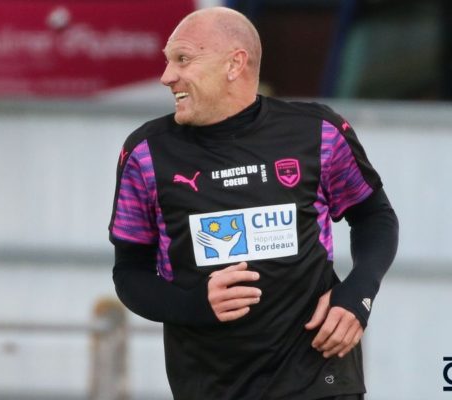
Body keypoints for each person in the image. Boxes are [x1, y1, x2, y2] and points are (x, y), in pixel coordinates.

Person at [109, 6, 398, 400]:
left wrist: (359, 293)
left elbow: (374, 215)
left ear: (234, 64)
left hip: (318, 378)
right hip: (212, 386)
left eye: (183, 59)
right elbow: (129, 272)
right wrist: (194, 304)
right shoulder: (146, 153)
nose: (167, 76)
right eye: (168, 61)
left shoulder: (318, 132)